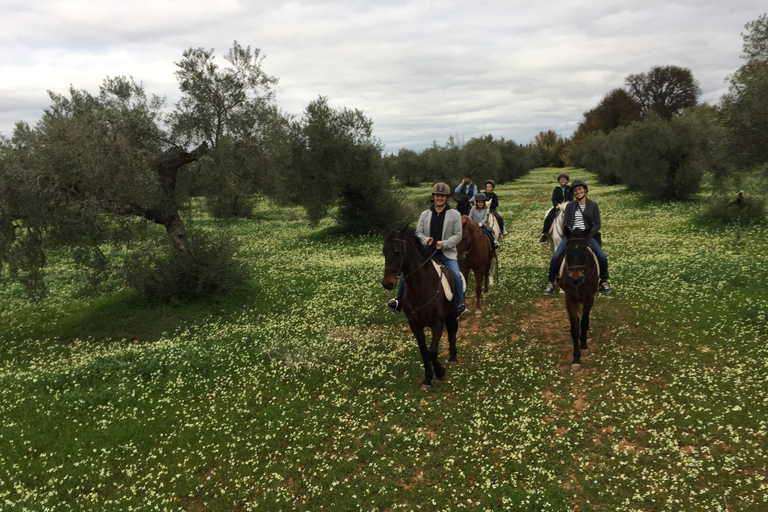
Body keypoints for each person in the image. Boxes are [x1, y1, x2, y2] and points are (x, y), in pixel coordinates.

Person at [387, 182, 467, 317]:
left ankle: (459, 304)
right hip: (427, 254)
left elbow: (458, 235)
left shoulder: (454, 214)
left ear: (446, 197)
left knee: (456, 276)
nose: (439, 198)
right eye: (437, 195)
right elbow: (418, 233)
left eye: (442, 196)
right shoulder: (425, 214)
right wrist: (425, 240)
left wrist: (445, 243)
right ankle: (397, 301)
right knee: (406, 274)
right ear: (433, 196)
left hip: (446, 254)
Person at [544, 179, 611, 294]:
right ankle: (550, 282)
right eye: (575, 190)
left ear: (585, 190)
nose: (578, 192)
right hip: (572, 237)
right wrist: (570, 234)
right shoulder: (570, 206)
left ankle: (604, 280)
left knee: (602, 256)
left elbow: (598, 223)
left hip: (587, 236)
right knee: (555, 257)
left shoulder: (593, 205)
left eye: (580, 189)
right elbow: (565, 223)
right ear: (573, 193)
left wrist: (588, 235)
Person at [540, 172, 574, 242]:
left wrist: (569, 205)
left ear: (567, 180)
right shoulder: (556, 189)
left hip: (568, 207)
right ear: (559, 181)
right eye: (561, 180)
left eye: (564, 179)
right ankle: (545, 233)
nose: (562, 181)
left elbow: (571, 199)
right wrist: (556, 205)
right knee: (549, 216)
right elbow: (554, 199)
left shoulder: (570, 188)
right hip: (558, 206)